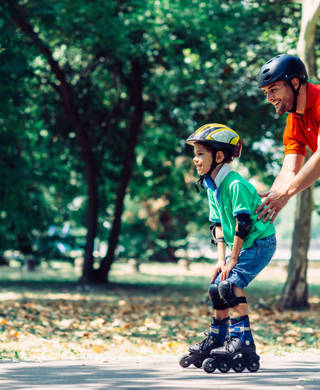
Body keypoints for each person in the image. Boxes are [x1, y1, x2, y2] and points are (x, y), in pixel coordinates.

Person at [179, 123, 276, 373]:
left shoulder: (234, 184)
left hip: (260, 242)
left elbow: (242, 224)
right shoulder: (212, 185)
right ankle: (218, 338)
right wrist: (221, 260)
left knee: (230, 286)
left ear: (219, 156)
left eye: (201, 153)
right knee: (216, 287)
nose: (196, 160)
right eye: (195, 154)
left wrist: (233, 259)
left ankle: (243, 342)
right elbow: (218, 226)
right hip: (241, 246)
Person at [256, 53, 320, 222]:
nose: (269, 98)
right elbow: (289, 171)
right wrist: (266, 207)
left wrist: (284, 194)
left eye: (273, 89)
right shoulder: (294, 121)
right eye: (266, 92)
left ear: (295, 83)